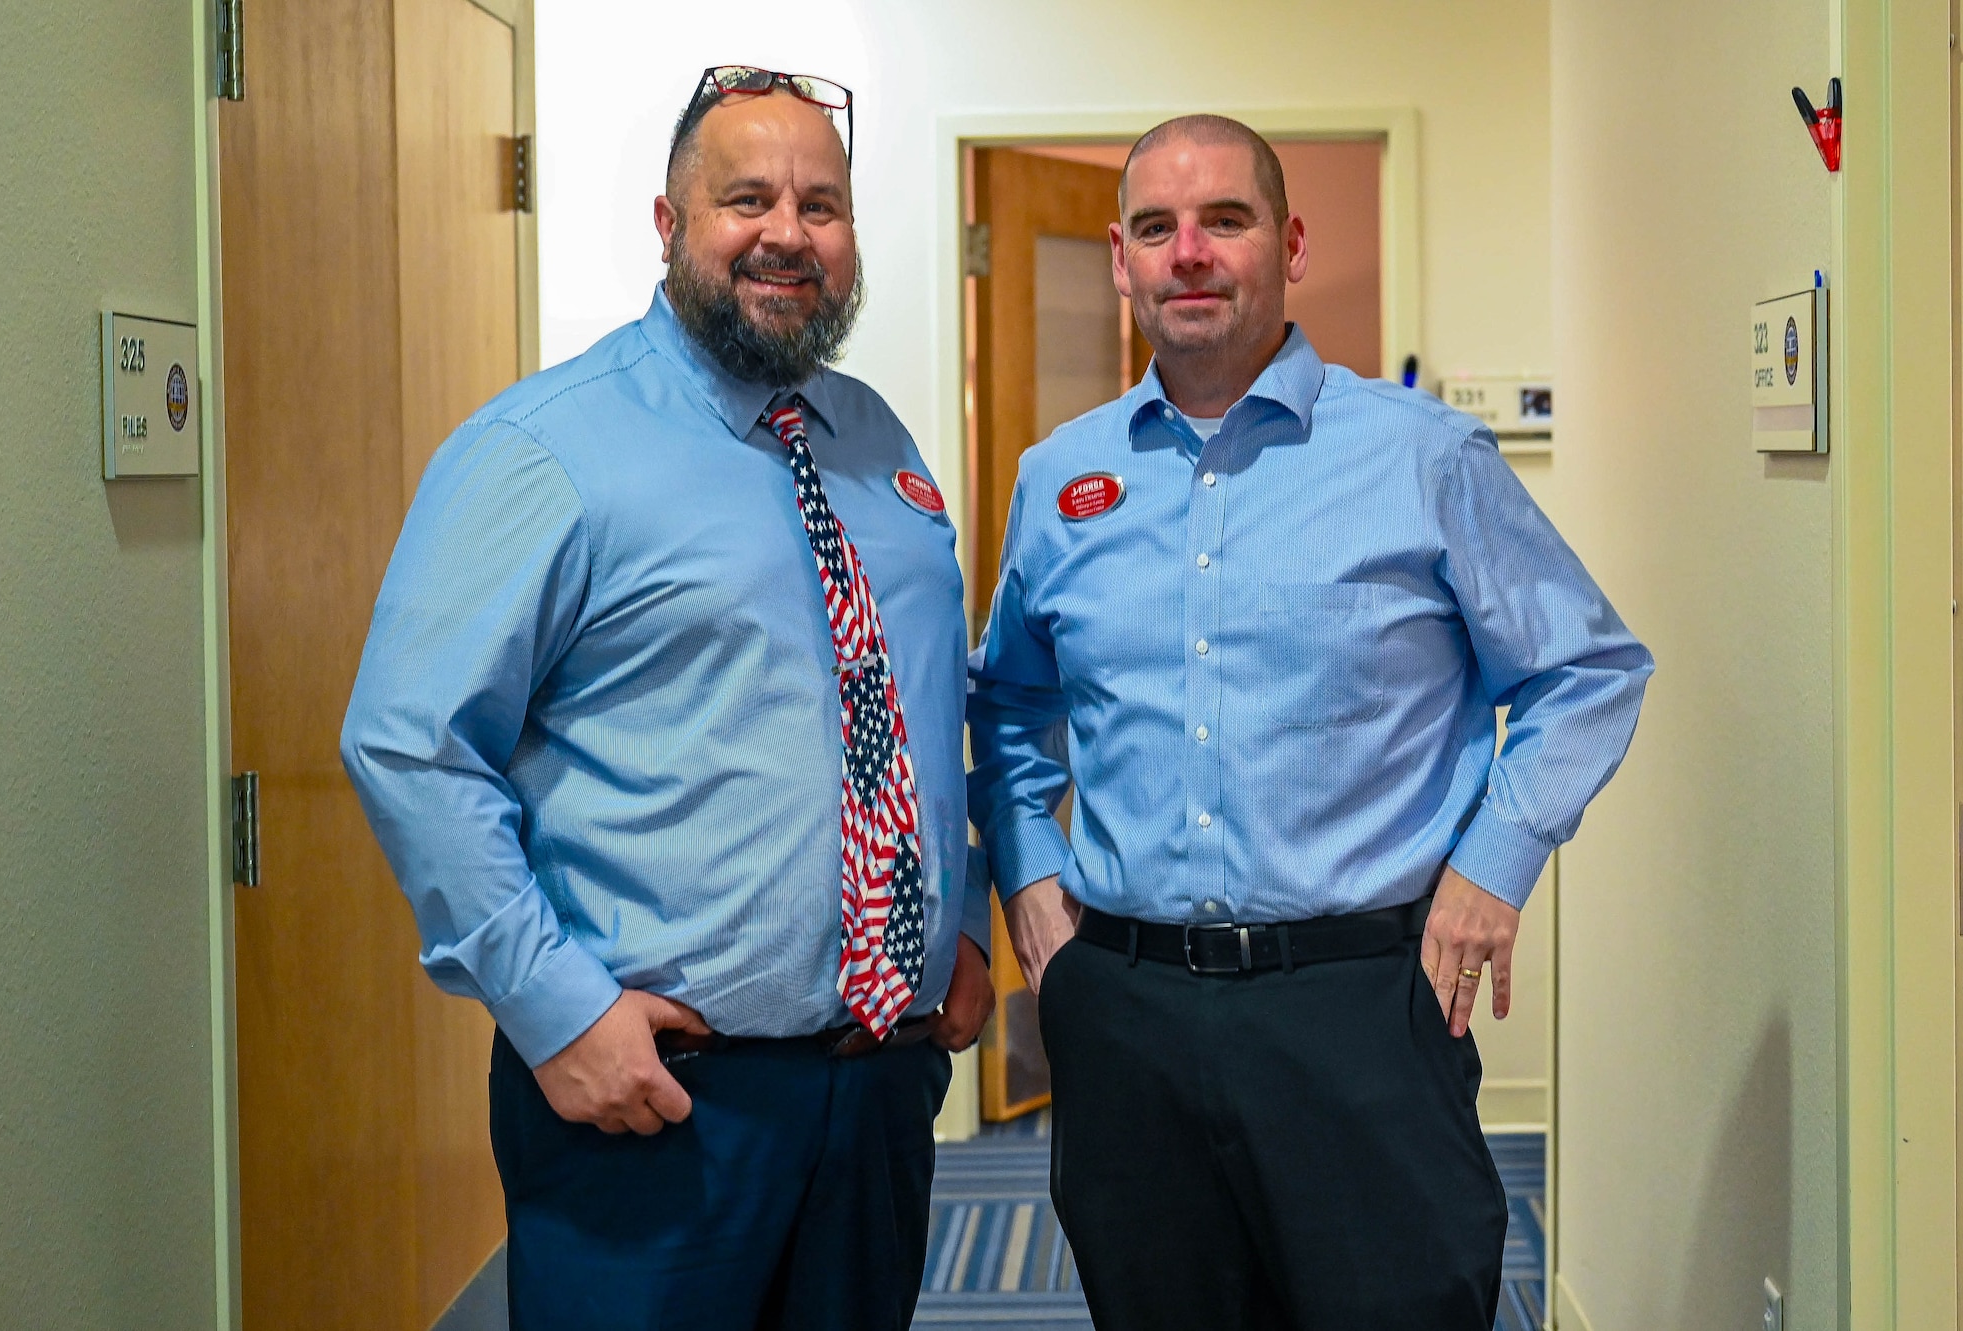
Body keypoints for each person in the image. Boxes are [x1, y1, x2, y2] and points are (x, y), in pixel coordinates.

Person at [966, 115, 1653, 1331]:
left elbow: (1585, 670)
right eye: (1154, 227)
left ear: (1284, 242)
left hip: (1361, 1013)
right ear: (1119, 260)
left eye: (1222, 220)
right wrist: (1026, 869)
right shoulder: (1057, 479)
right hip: (1123, 1007)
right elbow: (1010, 699)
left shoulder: (1421, 456)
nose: (1188, 253)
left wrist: (1490, 870)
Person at [342, 66, 993, 1331]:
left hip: (875, 1089)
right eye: (744, 197)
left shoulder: (875, 440)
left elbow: (909, 706)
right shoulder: (545, 449)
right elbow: (412, 744)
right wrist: (557, 1010)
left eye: (821, 203)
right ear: (667, 224)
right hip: (654, 1097)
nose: (785, 232)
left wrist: (956, 919)